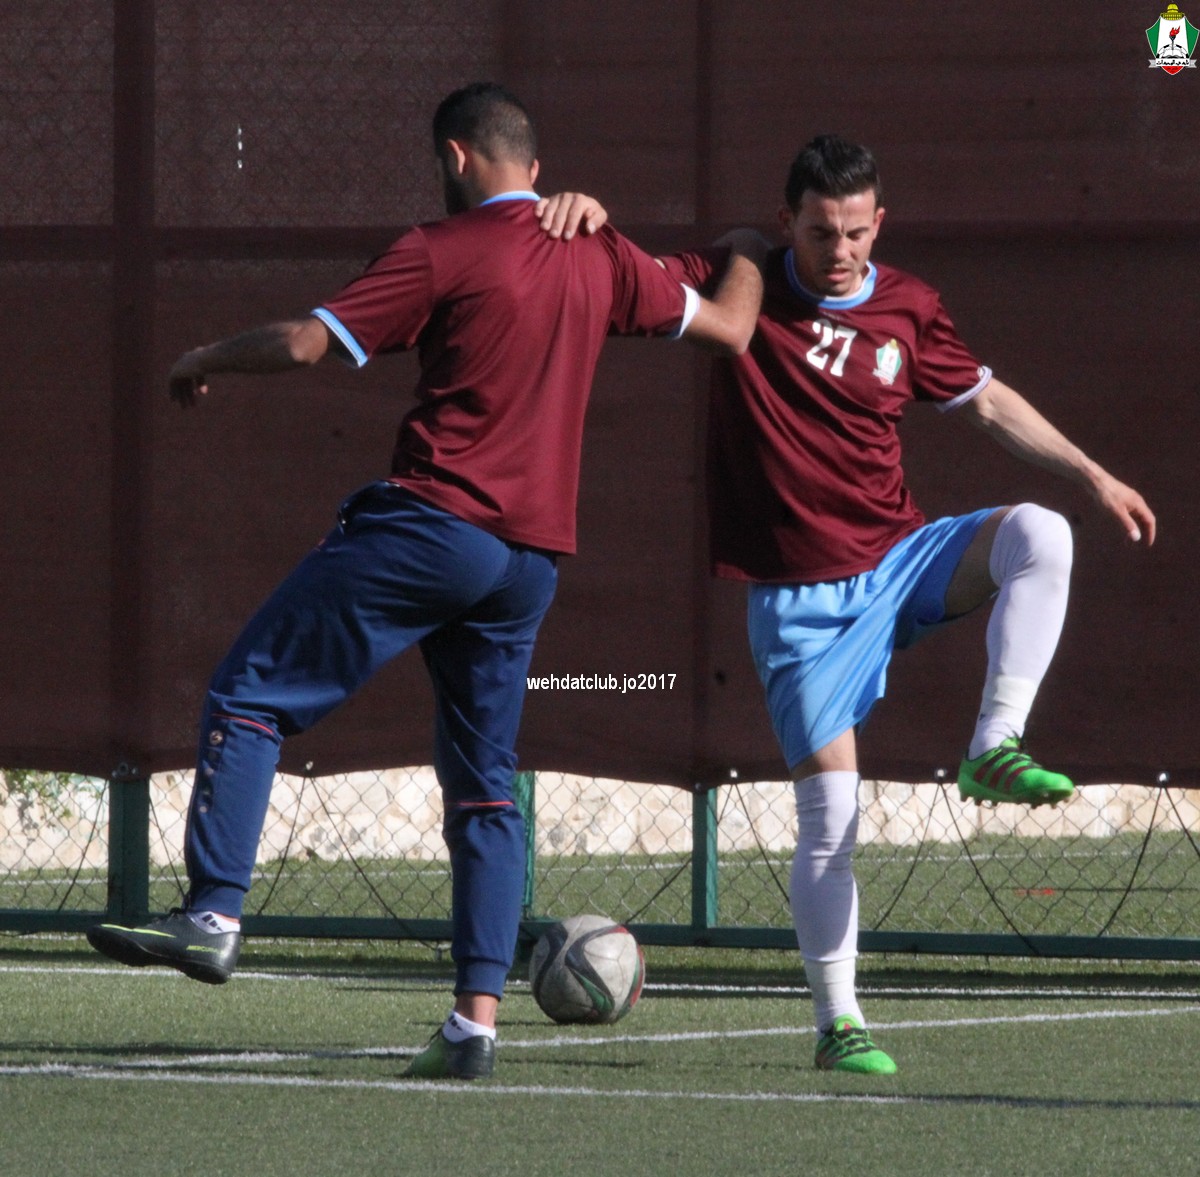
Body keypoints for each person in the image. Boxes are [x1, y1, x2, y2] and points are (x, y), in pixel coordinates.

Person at [85, 82, 763, 1081]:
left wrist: (202, 355)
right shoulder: (599, 253)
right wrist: (747, 242)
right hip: (528, 563)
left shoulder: (443, 249)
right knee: (485, 788)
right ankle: (474, 1025)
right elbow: (735, 326)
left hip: (433, 529)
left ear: (454, 157)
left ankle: (214, 912)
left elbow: (308, 341)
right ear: (536, 169)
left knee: (251, 694)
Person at [654, 134, 1155, 1074]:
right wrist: (579, 221)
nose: (839, 251)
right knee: (831, 817)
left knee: (1040, 533)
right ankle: (838, 1023)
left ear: (878, 222)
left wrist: (1093, 473)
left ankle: (993, 746)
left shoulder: (909, 306)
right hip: (798, 603)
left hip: (899, 559)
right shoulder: (744, 280)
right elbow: (628, 282)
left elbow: (988, 403)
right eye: (819, 232)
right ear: (786, 222)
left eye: (855, 232)